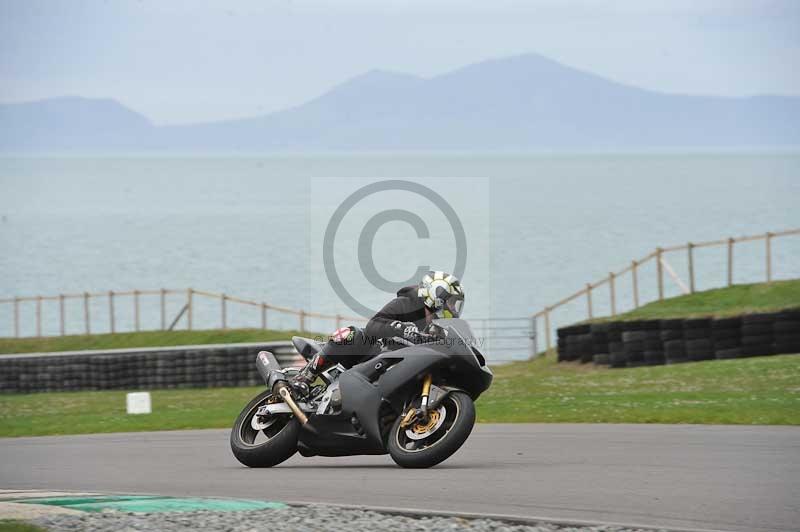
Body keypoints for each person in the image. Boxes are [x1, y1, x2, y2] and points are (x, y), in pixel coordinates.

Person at [290, 271, 464, 396]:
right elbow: (374, 324)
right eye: (451, 302)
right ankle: (306, 376)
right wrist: (402, 328)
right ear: (437, 295)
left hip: (399, 370)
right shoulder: (406, 303)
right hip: (371, 354)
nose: (452, 308)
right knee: (351, 333)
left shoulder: (437, 329)